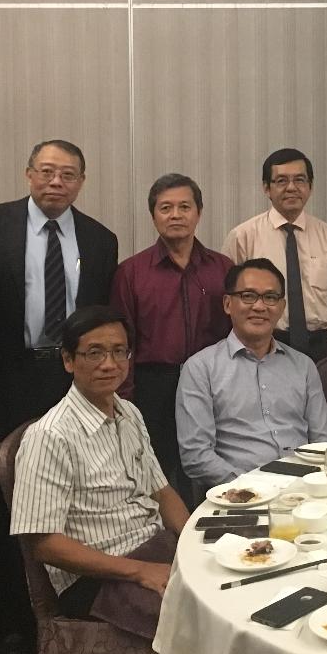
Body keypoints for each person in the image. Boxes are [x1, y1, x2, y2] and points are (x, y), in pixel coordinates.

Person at [0, 138, 119, 654]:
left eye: (67, 174)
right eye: (46, 171)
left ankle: (71, 610)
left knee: (73, 499)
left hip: (70, 379)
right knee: (7, 502)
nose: (56, 182)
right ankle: (10, 625)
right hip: (6, 377)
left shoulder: (100, 238)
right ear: (28, 174)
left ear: (81, 181)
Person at [10, 306, 189, 641]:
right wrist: (138, 571)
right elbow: (44, 543)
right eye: (94, 353)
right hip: (96, 578)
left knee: (234, 585)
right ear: (68, 360)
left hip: (155, 549)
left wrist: (196, 542)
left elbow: (162, 491)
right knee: (195, 621)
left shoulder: (129, 412)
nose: (110, 364)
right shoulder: (50, 436)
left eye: (119, 351)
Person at [110, 173, 231, 503]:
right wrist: (124, 401)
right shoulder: (131, 272)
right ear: (153, 215)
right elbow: (122, 345)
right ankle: (168, 545)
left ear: (198, 213)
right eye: (166, 208)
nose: (175, 215)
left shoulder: (222, 269)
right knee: (157, 475)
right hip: (154, 386)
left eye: (184, 207)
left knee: (213, 472)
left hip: (213, 384)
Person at [176, 259, 327, 493]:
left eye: (270, 298)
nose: (260, 307)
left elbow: (324, 441)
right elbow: (196, 456)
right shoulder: (200, 369)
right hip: (240, 495)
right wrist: (251, 487)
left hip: (305, 492)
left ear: (281, 307)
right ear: (228, 303)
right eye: (248, 296)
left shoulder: (303, 365)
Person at [223, 148, 327, 360]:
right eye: (281, 181)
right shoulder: (243, 236)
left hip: (321, 347)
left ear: (310, 187)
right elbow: (230, 298)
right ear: (266, 188)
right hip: (265, 346)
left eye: (300, 180)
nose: (291, 188)